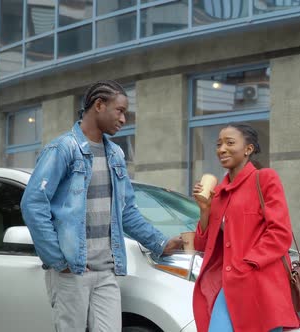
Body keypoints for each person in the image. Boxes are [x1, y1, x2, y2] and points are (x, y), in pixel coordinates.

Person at [20, 80, 183, 332]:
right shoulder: (63, 149)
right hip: (71, 271)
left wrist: (160, 243)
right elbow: (33, 204)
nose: (123, 119)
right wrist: (58, 260)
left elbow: (126, 211)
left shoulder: (115, 154)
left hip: (106, 272)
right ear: (99, 105)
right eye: (120, 111)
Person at [191, 123, 300, 332]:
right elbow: (202, 245)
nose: (222, 149)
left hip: (262, 284)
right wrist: (205, 209)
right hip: (229, 285)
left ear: (248, 149)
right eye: (218, 144)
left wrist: (246, 264)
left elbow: (280, 233)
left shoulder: (265, 178)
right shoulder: (219, 192)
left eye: (230, 143)